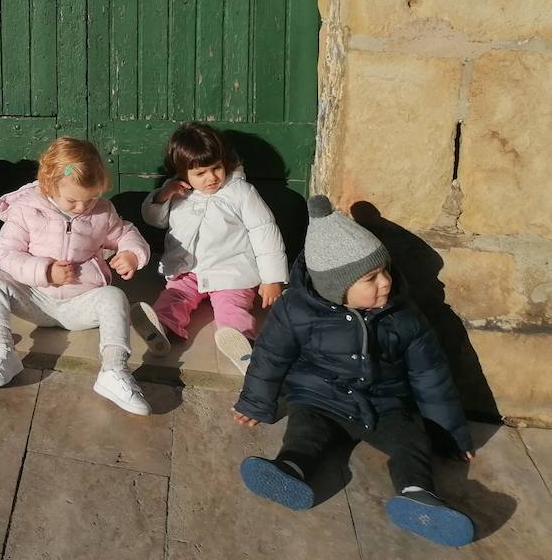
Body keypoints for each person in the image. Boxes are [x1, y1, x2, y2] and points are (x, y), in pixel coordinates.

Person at [232, 195, 476, 548]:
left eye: (385, 271)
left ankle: (418, 494)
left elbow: (431, 375)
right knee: (305, 432)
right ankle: (290, 469)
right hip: (319, 398)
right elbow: (270, 356)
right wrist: (255, 404)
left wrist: (449, 434)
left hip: (385, 405)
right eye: (371, 278)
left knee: (412, 441)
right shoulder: (296, 311)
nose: (386, 283)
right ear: (337, 288)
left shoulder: (403, 316)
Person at [0, 136, 152, 415]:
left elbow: (126, 233)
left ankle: (113, 370)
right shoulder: (27, 210)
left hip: (79, 305)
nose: (83, 207)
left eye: (91, 198)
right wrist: (44, 271)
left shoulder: (103, 212)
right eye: (72, 200)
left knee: (114, 296)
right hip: (35, 299)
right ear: (49, 184)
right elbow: (6, 253)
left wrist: (131, 254)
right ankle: (3, 352)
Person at [139, 122, 287, 373]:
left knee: (232, 305)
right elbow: (153, 219)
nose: (211, 178)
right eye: (200, 174)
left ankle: (241, 341)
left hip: (231, 271)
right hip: (188, 270)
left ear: (225, 162)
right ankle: (163, 327)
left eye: (216, 168)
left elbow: (264, 230)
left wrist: (273, 278)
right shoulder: (178, 192)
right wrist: (163, 194)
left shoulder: (240, 191)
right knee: (175, 296)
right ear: (182, 173)